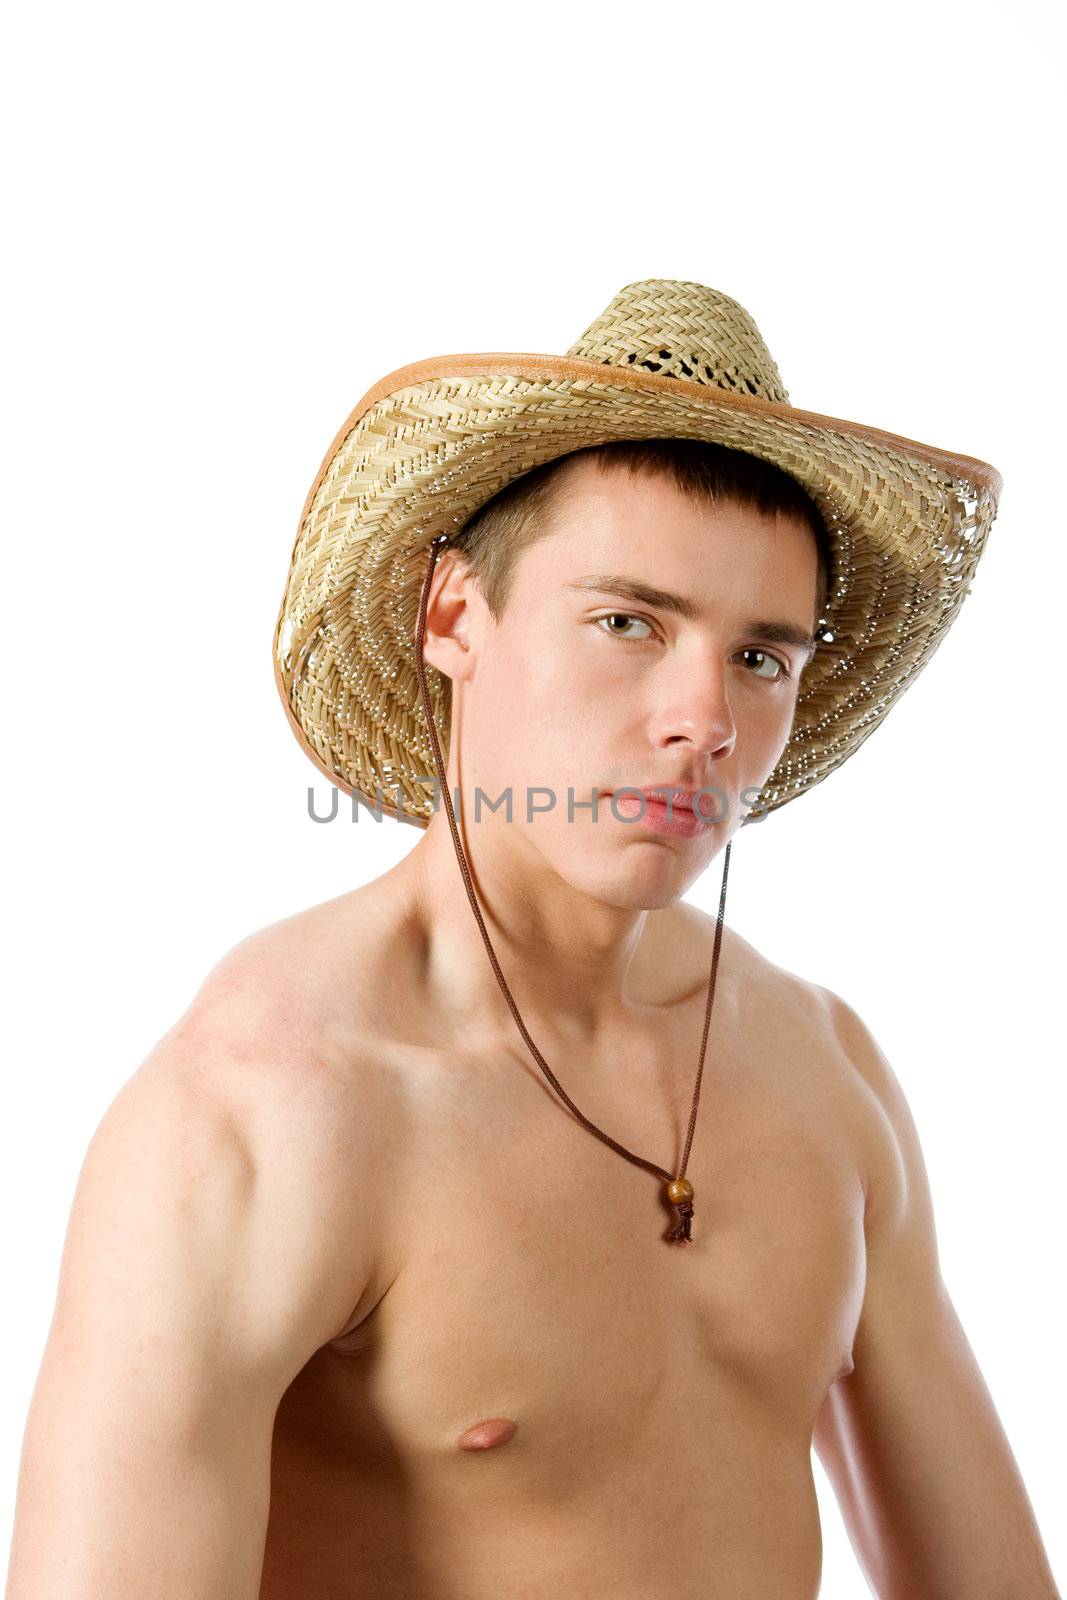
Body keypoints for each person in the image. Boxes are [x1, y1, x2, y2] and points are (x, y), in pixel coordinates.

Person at [6, 281, 1059, 1600]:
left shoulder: (819, 1066)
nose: (703, 720)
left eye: (761, 658)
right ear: (456, 618)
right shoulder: (269, 1108)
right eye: (630, 623)